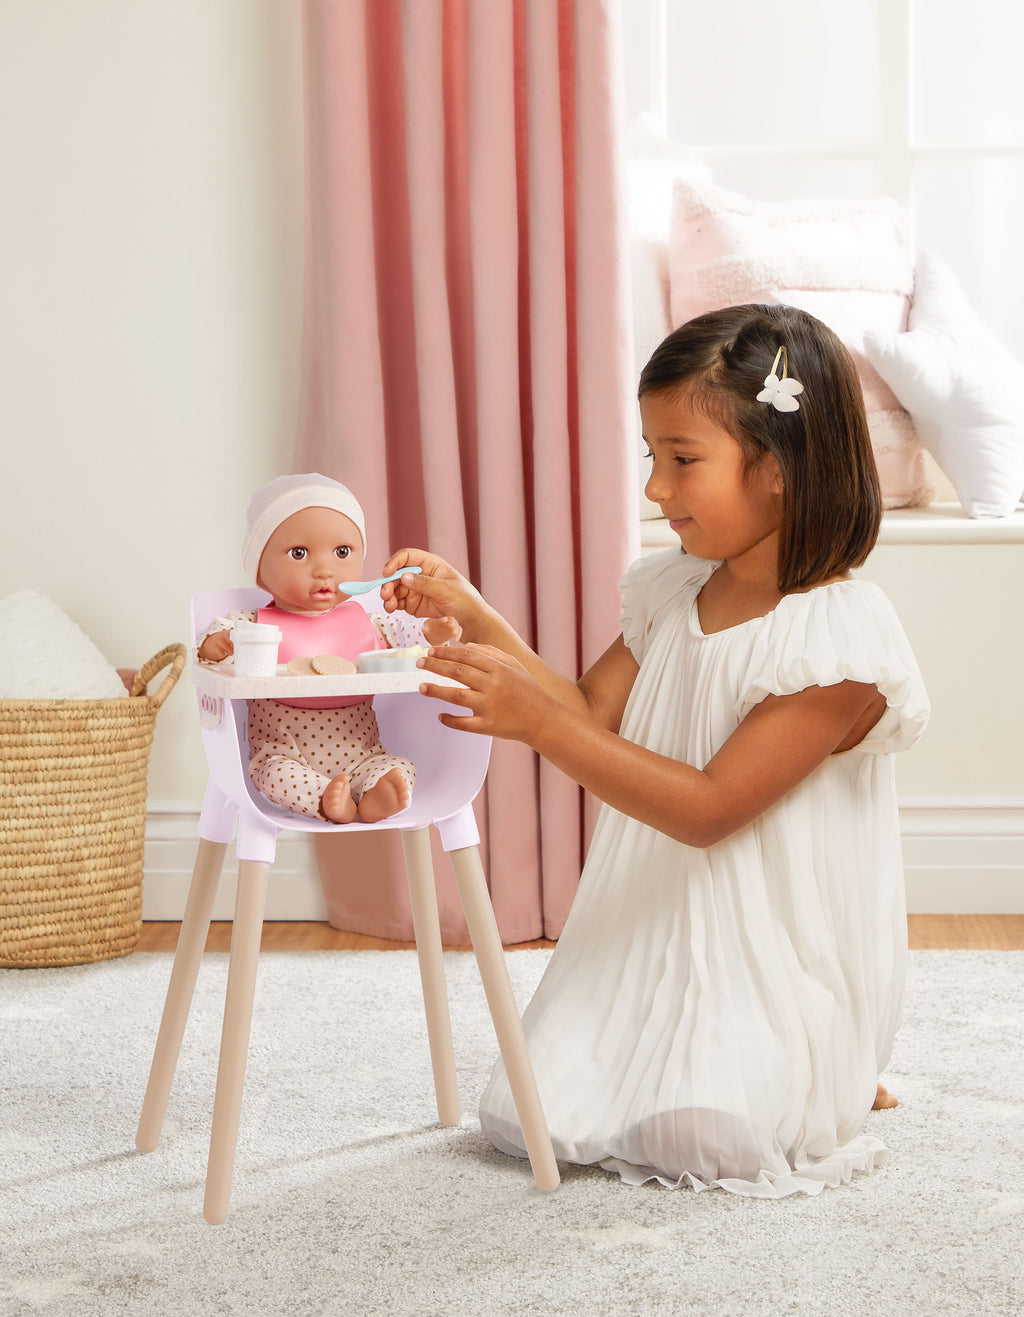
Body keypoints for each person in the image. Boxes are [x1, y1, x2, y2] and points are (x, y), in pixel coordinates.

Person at [380, 304, 929, 1196]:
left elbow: (710, 808)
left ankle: (829, 1043)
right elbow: (590, 713)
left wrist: (540, 723)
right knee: (535, 1114)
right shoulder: (674, 592)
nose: (655, 489)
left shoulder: (837, 640)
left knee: (710, 1134)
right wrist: (482, 620)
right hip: (657, 922)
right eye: (652, 456)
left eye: (682, 460)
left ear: (782, 469)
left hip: (772, 938)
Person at [197, 473, 459, 824]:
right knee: (273, 775)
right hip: (285, 753)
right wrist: (221, 644)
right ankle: (325, 801)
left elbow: (405, 643)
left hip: (362, 753)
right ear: (260, 569)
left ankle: (375, 793)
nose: (324, 570)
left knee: (399, 767)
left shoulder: (368, 621)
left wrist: (432, 632)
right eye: (299, 553)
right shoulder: (254, 625)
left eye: (342, 552)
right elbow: (215, 642)